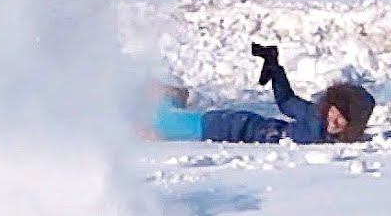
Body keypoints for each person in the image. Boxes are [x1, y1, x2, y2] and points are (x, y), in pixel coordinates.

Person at [150, 43, 375, 144]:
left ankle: (169, 98)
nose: (334, 123)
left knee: (163, 124)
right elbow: (287, 102)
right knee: (161, 125)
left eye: (342, 122)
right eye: (334, 114)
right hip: (232, 128)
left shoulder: (326, 131)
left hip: (240, 126)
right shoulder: (315, 116)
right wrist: (276, 72)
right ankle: (167, 96)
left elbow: (287, 104)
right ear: (330, 106)